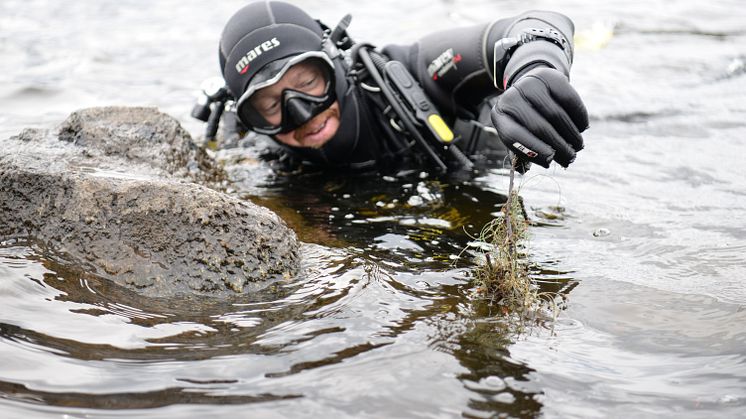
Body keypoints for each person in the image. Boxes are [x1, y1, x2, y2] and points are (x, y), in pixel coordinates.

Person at [211, 0, 588, 172]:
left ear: (336, 59)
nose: (302, 113)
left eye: (308, 82)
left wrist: (534, 67)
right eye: (271, 107)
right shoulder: (254, 150)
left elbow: (536, 24)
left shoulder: (414, 72)